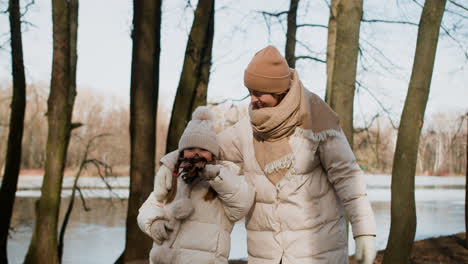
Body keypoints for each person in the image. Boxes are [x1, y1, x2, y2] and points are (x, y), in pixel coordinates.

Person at [155, 46, 377, 264]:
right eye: (250, 92)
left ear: (279, 91)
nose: (252, 99)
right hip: (266, 254)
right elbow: (205, 148)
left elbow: (348, 177)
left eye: (258, 93)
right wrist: (171, 162)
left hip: (315, 252)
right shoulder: (247, 128)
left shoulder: (317, 121)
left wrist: (364, 232)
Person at [138, 106, 255, 264]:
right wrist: (153, 222)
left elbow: (241, 204)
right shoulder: (173, 176)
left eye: (203, 149)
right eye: (190, 148)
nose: (196, 154)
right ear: (182, 151)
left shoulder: (225, 178)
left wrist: (216, 176)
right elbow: (149, 206)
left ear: (213, 154)